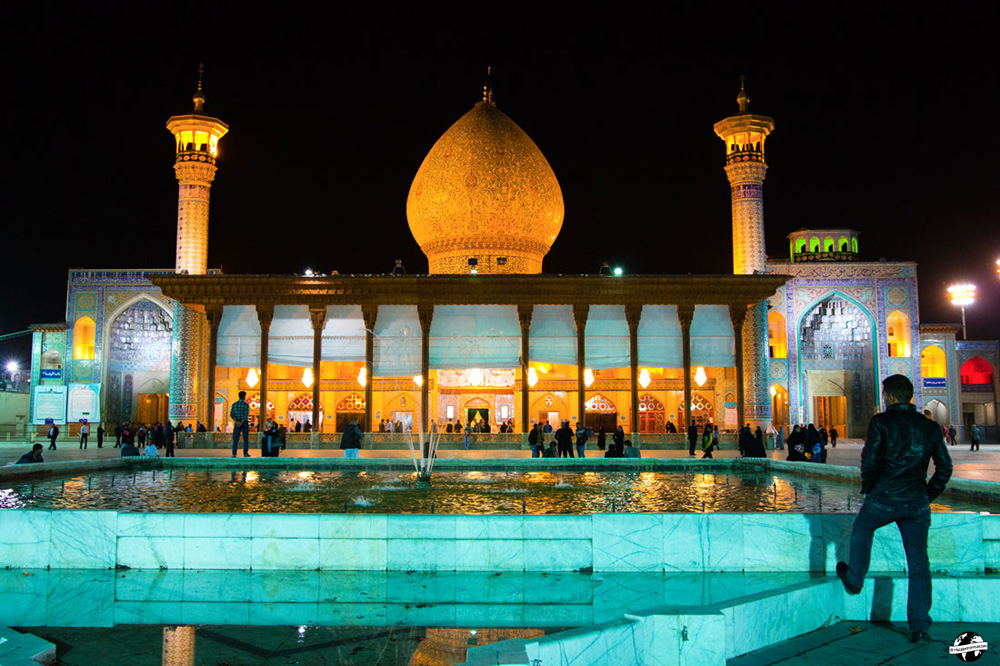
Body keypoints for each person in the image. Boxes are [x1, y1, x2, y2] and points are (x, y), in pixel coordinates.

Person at [837, 375, 952, 645]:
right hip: (916, 502)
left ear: (888, 396)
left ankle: (854, 579)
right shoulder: (930, 427)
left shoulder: (881, 422)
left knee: (863, 528)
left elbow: (869, 460)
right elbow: (945, 468)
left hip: (884, 497)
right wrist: (927, 495)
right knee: (919, 564)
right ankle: (920, 628)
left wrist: (870, 488)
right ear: (909, 396)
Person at [230, 390, 251, 458]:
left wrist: (237, 422)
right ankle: (245, 453)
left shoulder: (234, 404)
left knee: (235, 438)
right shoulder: (246, 405)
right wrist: (241, 422)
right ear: (244, 397)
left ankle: (234, 453)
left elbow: (232, 415)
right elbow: (246, 415)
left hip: (237, 422)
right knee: (245, 438)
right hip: (244, 423)